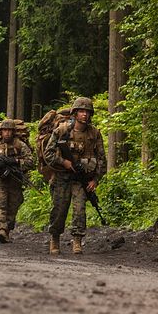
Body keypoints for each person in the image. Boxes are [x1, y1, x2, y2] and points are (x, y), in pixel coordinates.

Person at [42, 97, 107, 255]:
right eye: (81, 111)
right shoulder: (62, 130)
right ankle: (55, 239)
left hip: (81, 179)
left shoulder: (94, 134)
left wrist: (95, 180)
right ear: (75, 113)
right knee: (59, 210)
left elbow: (101, 159)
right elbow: (48, 153)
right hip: (62, 177)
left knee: (79, 210)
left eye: (87, 112)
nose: (84, 115)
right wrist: (63, 161)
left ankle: (77, 241)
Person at [0, 119, 34, 243]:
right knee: (0, 205)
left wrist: (16, 162)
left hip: (15, 181)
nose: (7, 133)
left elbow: (31, 161)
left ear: (13, 132)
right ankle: (1, 229)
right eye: (4, 130)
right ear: (1, 132)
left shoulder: (20, 145)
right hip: (0, 180)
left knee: (13, 206)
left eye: (9, 130)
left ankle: (7, 230)